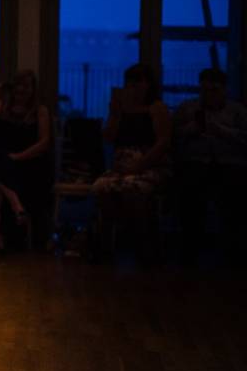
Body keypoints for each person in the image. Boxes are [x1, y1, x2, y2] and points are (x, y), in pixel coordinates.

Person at [91, 63, 171, 258]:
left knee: (133, 189)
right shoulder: (122, 109)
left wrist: (139, 165)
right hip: (121, 167)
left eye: (138, 83)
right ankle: (106, 245)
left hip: (149, 166)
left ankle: (144, 247)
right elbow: (108, 137)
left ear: (148, 84)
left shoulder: (156, 108)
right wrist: (115, 114)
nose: (132, 87)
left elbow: (163, 142)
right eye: (129, 83)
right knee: (101, 187)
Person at [172, 68, 247, 264]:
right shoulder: (187, 109)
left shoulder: (238, 111)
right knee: (191, 199)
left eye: (214, 90)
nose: (208, 95)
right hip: (196, 163)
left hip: (230, 165)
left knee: (233, 202)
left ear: (224, 90)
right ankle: (191, 249)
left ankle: (233, 250)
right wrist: (192, 130)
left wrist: (221, 131)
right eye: (204, 90)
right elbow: (173, 136)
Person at [0, 70, 52, 257]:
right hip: (3, 162)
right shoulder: (1, 107)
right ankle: (17, 206)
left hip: (28, 163)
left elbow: (44, 143)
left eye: (26, 85)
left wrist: (19, 157)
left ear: (33, 89)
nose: (21, 90)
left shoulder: (40, 111)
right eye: (18, 85)